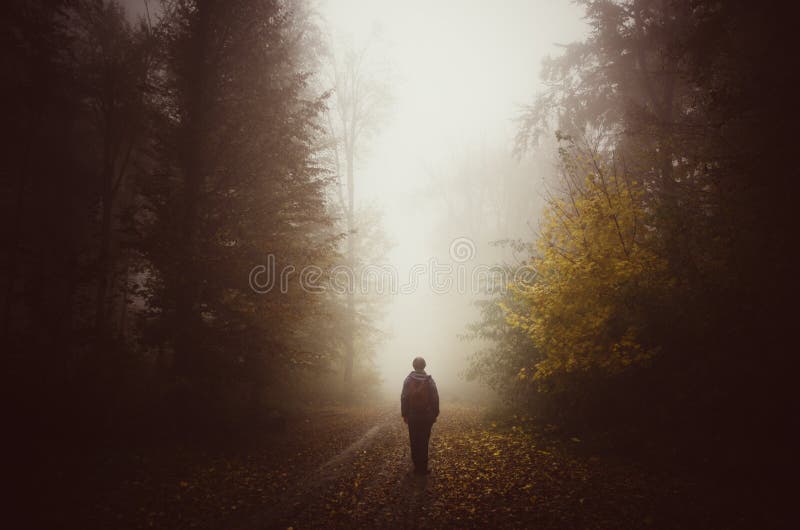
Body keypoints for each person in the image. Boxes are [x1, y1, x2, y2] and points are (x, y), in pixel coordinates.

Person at [400, 356, 440, 474]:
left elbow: (404, 397)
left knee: (414, 440)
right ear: (424, 366)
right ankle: (423, 467)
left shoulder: (408, 380)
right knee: (424, 440)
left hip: (413, 415)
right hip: (427, 415)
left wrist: (405, 414)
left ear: (413, 366)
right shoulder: (429, 380)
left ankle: (417, 467)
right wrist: (435, 413)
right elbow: (435, 397)